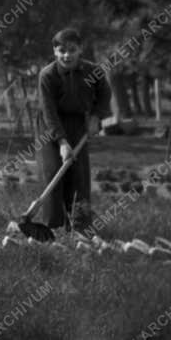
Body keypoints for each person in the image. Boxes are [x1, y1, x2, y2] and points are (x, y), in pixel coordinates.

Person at [37, 27, 112, 231]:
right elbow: (49, 112)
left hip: (79, 123)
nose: (67, 55)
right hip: (50, 126)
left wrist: (96, 117)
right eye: (62, 50)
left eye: (72, 50)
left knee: (79, 174)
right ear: (54, 51)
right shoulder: (47, 75)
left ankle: (80, 226)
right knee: (54, 170)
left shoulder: (93, 71)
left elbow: (104, 93)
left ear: (80, 49)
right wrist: (61, 142)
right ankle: (52, 226)